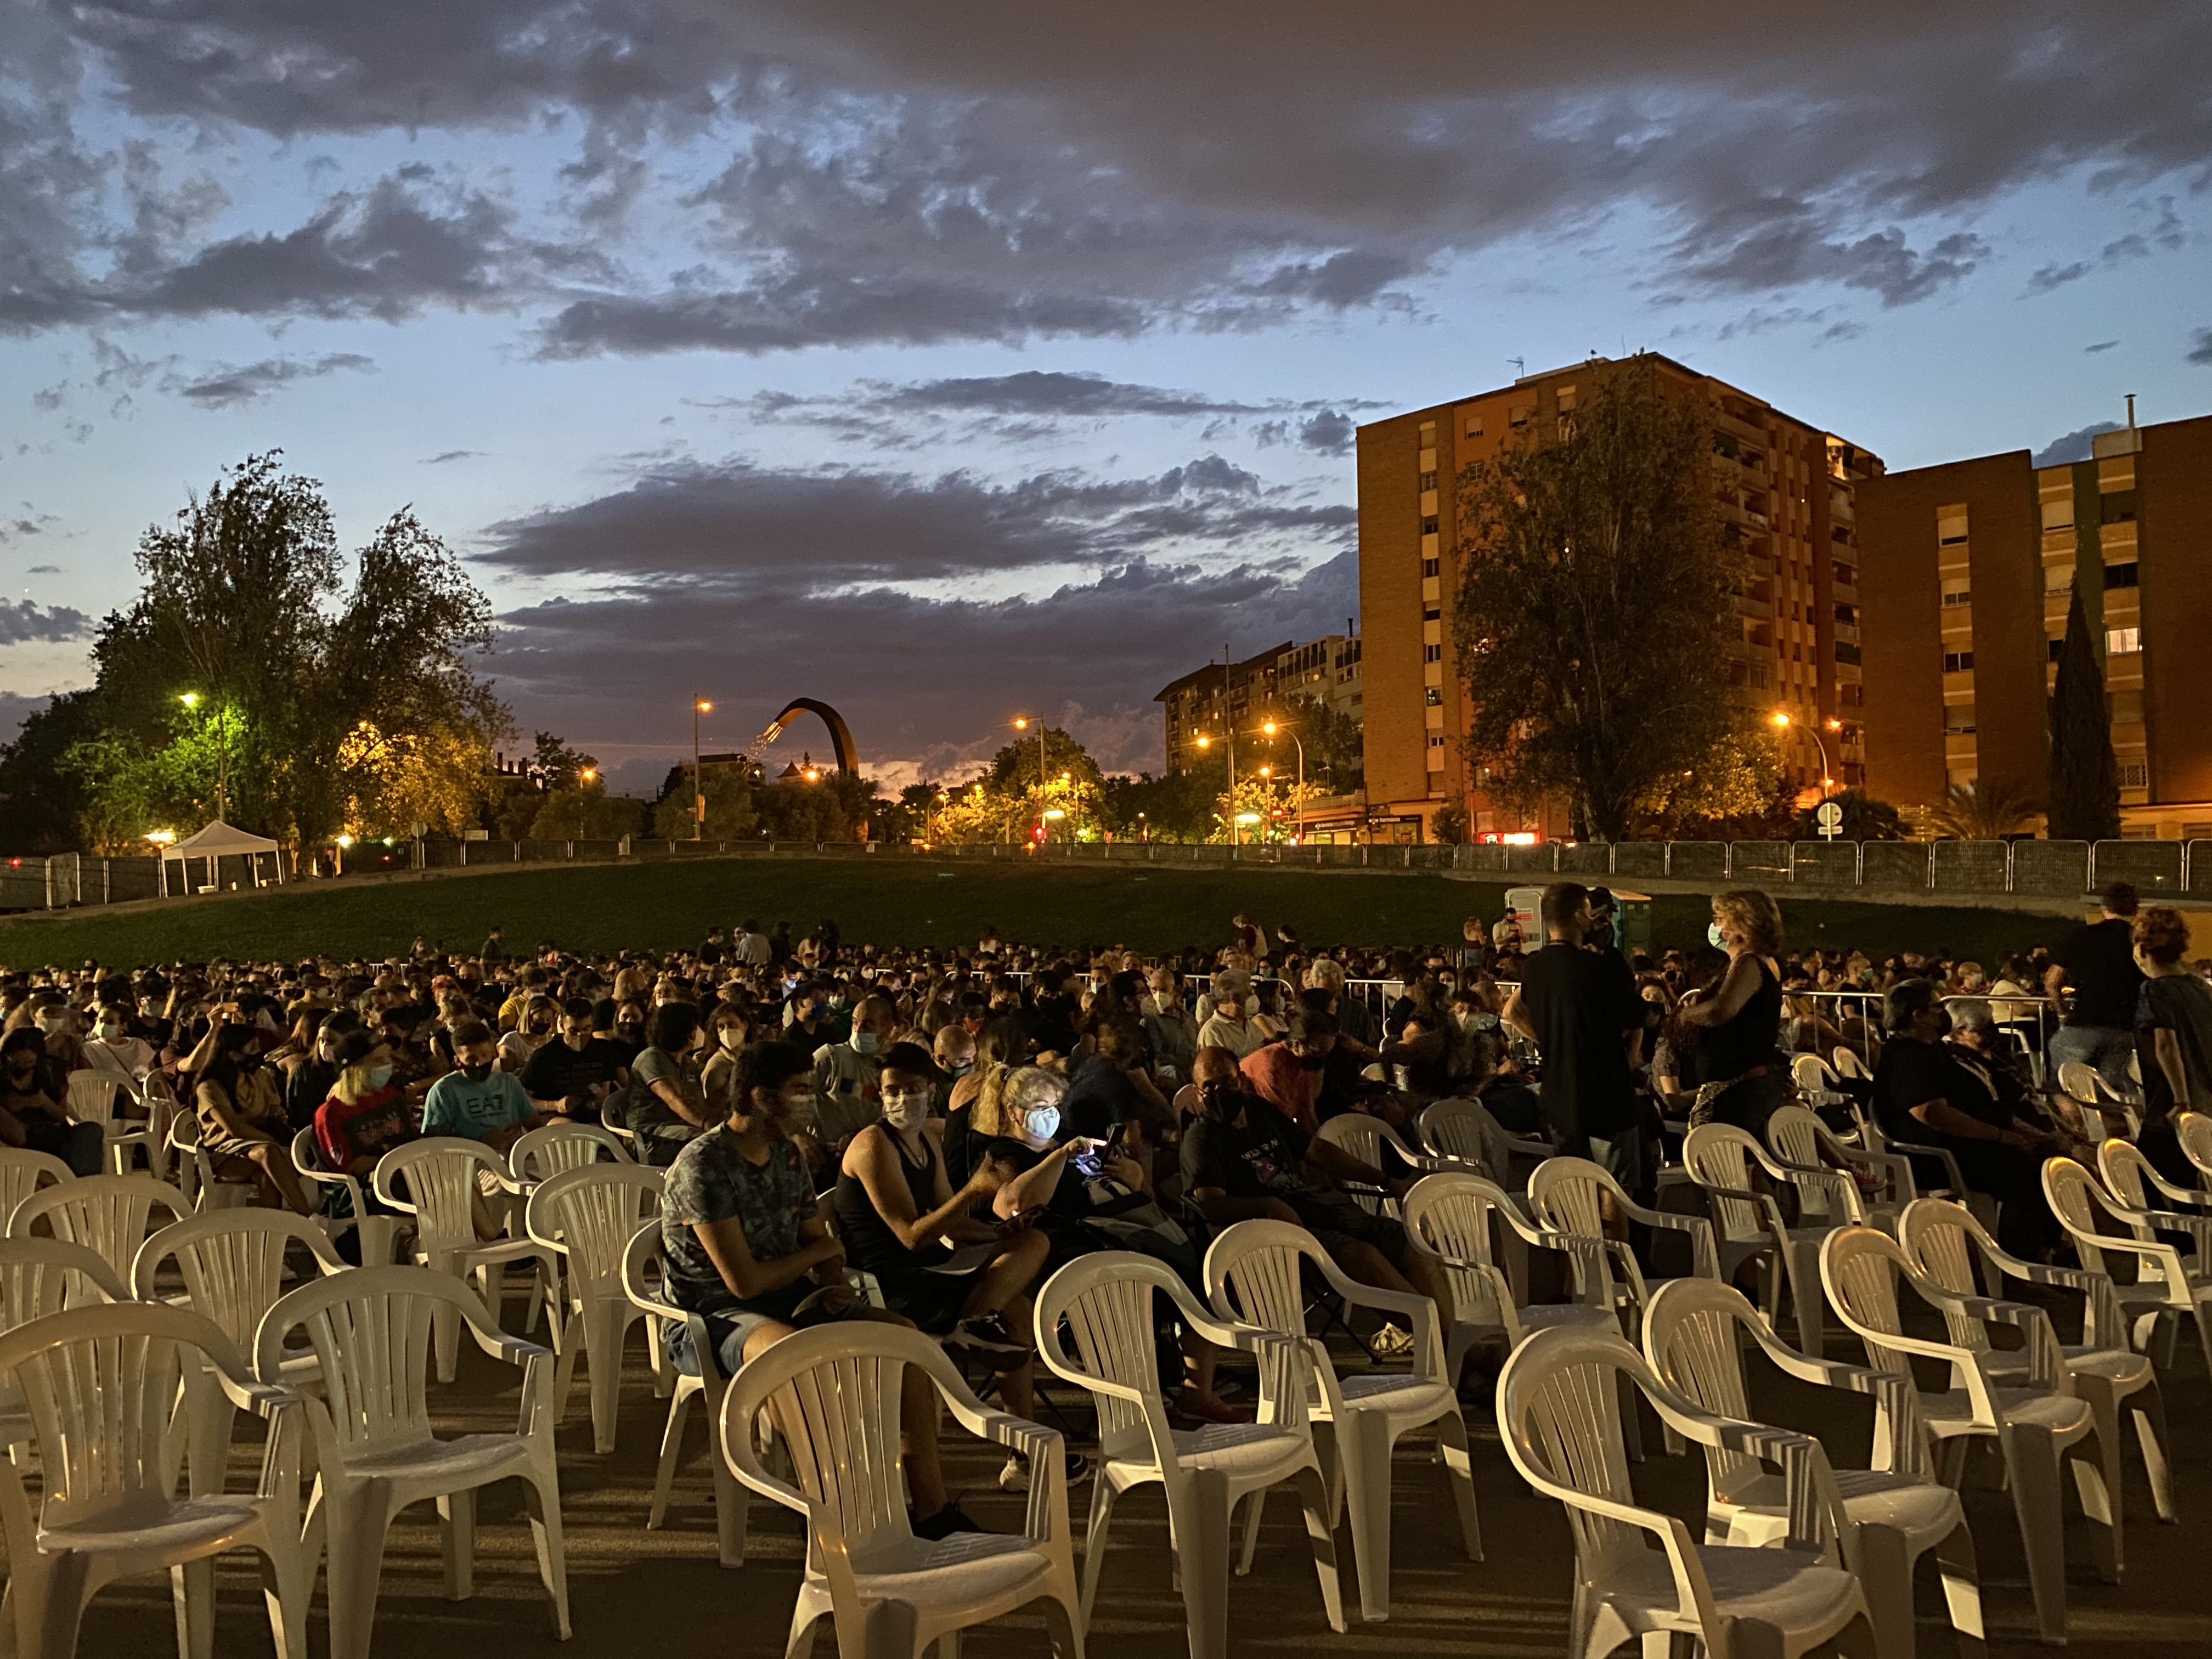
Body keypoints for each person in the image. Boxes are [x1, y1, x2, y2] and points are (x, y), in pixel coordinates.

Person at [658, 1039, 979, 1538]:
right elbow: (743, 1283)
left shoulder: (786, 1156)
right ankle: (836, 1510)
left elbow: (815, 1238)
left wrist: (833, 1284)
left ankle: (932, 1509)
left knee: (905, 1340)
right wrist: (820, 1258)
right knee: (790, 1353)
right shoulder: (705, 1166)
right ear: (763, 1098)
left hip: (788, 1296)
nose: (811, 1100)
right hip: (712, 1315)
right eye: (800, 1090)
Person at [835, 1043, 1057, 1460]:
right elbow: (911, 1236)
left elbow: (948, 1220)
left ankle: (1021, 1442)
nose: (902, 1099)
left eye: (912, 1088)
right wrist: (975, 1189)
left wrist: (999, 1235)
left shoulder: (924, 1142)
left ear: (930, 1090)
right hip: (893, 1279)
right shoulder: (874, 1146)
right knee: (1015, 1311)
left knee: (1032, 1248)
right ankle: (979, 1326)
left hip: (932, 1261)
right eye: (893, 1091)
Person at [1181, 1045, 1452, 1359]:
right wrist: (1265, 1206)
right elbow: (1211, 1205)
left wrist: (1386, 1181)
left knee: (1408, 1241)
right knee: (1363, 1255)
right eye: (1208, 1087)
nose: (1218, 1093)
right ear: (1197, 1092)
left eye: (1226, 1083)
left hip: (1316, 1208)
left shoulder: (1259, 1111)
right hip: (1269, 1236)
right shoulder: (1201, 1139)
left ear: (1241, 1081)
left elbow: (1317, 1152)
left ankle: (1443, 1339)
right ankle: (1452, 1347)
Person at [1873, 980, 2061, 1257]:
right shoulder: (1908, 1057)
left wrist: (2018, 1130)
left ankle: (2046, 1247)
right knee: (2026, 1173)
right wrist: (2000, 1136)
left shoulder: (1932, 1049)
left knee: (2051, 1158)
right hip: (1936, 1154)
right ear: (1919, 1016)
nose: (1944, 1014)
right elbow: (1932, 1114)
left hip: (1966, 1141)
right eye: (1937, 1008)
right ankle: (2017, 1263)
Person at [1504, 883, 1646, 1189]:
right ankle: (1616, 1238)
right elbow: (1637, 1015)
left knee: (1576, 1187)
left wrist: (1552, 1041)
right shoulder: (1598, 965)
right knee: (1615, 1191)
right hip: (1605, 1093)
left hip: (1560, 1096)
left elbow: (1512, 1011)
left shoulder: (1535, 966)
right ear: (1580, 915)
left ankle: (1582, 1237)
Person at [1674, 890, 1788, 1136]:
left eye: (1720, 918)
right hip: (1746, 1082)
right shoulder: (1761, 961)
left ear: (1740, 924)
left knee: (1723, 1165)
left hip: (1737, 1089)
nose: (1715, 926)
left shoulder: (1748, 963)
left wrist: (1686, 1014)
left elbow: (1720, 1011)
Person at [193, 1022, 315, 1214]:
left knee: (268, 1174)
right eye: (252, 1048)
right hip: (224, 1154)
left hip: (258, 1147)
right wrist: (274, 1141)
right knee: (269, 1153)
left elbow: (275, 1110)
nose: (259, 1052)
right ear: (233, 1054)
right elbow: (235, 1129)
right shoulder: (210, 1087)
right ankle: (310, 1217)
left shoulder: (260, 1077)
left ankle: (270, 1232)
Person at [2131, 905, 2212, 1186]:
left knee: (2151, 1184)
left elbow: (2165, 1045)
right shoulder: (2201, 988)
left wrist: (2180, 1101)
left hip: (2170, 1109)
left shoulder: (2155, 991)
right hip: (2206, 1105)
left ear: (2142, 950)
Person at [2045, 883, 2146, 1096]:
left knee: (2064, 1086)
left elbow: (2052, 981)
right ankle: (2100, 1127)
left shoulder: (2081, 936)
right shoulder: (2141, 941)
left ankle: (2078, 1127)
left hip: (2084, 1022)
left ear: (2104, 908)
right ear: (2135, 910)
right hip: (2125, 1027)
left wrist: (2063, 1011)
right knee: (2105, 1092)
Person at [421, 1020, 543, 1155]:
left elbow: (534, 1124)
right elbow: (433, 1142)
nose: (480, 1063)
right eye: (471, 1059)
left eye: (485, 1055)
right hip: (472, 1160)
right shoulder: (444, 1090)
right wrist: (481, 1142)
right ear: (457, 1061)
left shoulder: (509, 1082)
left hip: (516, 1154)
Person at [0, 1027, 105, 1175]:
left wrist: (44, 1102)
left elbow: (61, 1116)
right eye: (17, 1053)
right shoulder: (3, 1077)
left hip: (50, 1132)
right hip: (18, 1139)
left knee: (90, 1130)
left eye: (30, 1051)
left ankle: (82, 1186)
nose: (24, 1056)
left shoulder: (51, 1072)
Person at [625, 1003, 715, 1166]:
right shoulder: (651, 1058)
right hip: (650, 1138)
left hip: (681, 1130)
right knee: (710, 1145)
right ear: (687, 1032)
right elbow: (675, 1100)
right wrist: (707, 1125)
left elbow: (699, 1103)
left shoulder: (688, 1063)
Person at [520, 997, 633, 1122]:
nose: (580, 1036)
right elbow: (521, 1097)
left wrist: (603, 1098)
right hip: (557, 1118)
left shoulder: (603, 1050)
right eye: (574, 1031)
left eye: (586, 1029)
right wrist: (554, 1105)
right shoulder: (544, 1056)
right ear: (562, 1026)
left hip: (594, 1116)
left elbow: (612, 1087)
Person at [811, 994, 891, 1152]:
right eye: (855, 1022)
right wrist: (799, 1136)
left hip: (872, 1152)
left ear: (888, 1029)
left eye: (868, 1024)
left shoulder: (893, 1066)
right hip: (829, 1154)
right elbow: (796, 1095)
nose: (859, 1030)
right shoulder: (831, 1057)